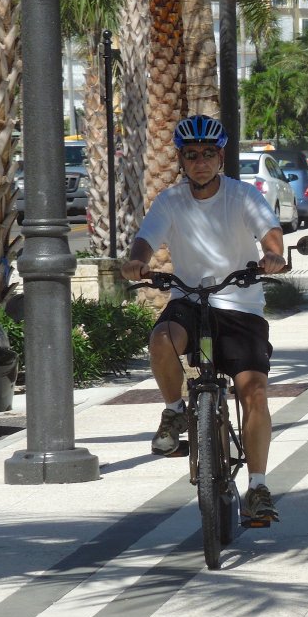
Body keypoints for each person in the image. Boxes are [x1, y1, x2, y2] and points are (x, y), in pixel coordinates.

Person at [121, 115, 287, 523]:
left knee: (255, 393)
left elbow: (270, 232)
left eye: (208, 154)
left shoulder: (242, 195)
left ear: (221, 156)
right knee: (162, 338)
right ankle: (175, 409)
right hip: (190, 301)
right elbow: (146, 238)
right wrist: (137, 261)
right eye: (191, 155)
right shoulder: (171, 200)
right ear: (180, 159)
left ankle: (259, 486)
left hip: (239, 305)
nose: (200, 162)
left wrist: (273, 257)